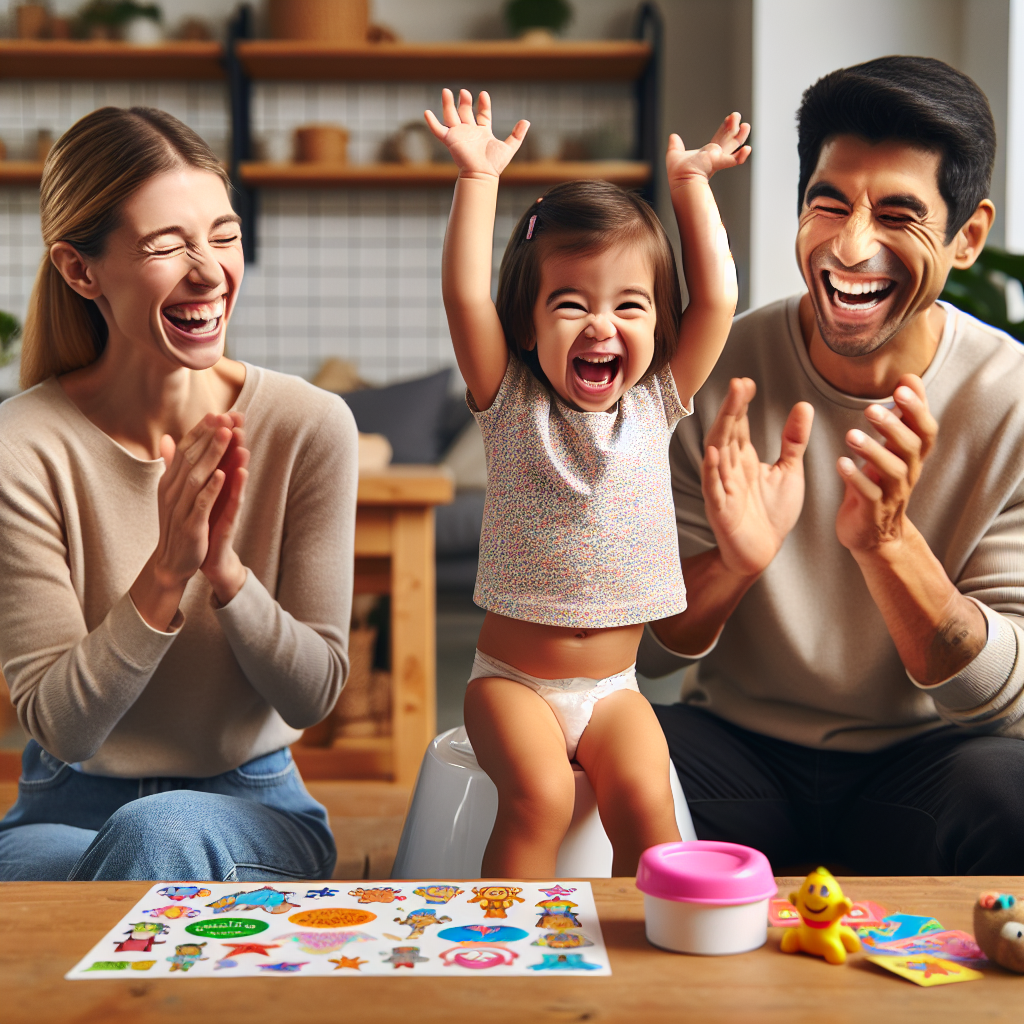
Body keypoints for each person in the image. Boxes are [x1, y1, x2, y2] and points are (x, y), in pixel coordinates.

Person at [640, 56, 1024, 874]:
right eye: (829, 204)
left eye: (897, 214)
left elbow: (1000, 694)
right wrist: (735, 565)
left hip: (927, 763)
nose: (852, 248)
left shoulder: (1011, 400)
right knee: (596, 753)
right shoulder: (715, 365)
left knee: (1011, 794)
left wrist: (887, 544)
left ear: (968, 236)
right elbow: (646, 652)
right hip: (738, 750)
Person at [0, 107, 357, 881]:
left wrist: (225, 575)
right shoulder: (20, 445)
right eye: (166, 246)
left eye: (222, 236)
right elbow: (63, 727)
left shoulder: (310, 424)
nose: (209, 272)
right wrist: (167, 571)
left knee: (159, 832)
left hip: (254, 807)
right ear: (79, 270)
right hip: (62, 811)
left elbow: (314, 694)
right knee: (134, 844)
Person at [423, 88, 749, 875]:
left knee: (649, 808)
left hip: (616, 690)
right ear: (528, 326)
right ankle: (505, 959)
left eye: (629, 305)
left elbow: (719, 299)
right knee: (542, 798)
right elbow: (467, 294)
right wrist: (478, 181)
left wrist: (692, 189)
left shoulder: (657, 404)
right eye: (571, 304)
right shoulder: (509, 400)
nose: (603, 325)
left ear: (657, 327)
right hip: (511, 686)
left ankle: (649, 962)